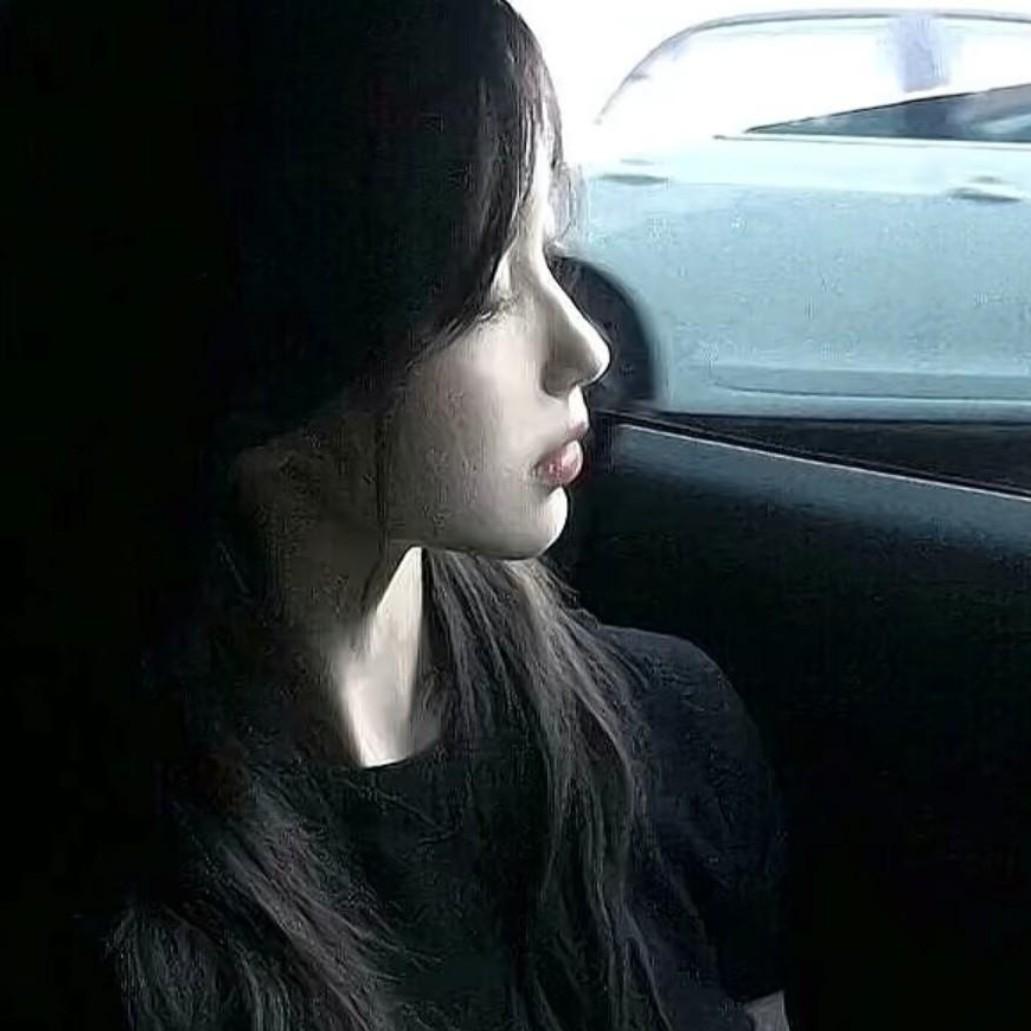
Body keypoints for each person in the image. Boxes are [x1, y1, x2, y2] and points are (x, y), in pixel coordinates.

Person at [7, 1, 787, 1028]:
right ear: (268, 343)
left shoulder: (666, 733)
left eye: (548, 250)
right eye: (484, 292)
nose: (584, 349)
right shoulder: (91, 906)